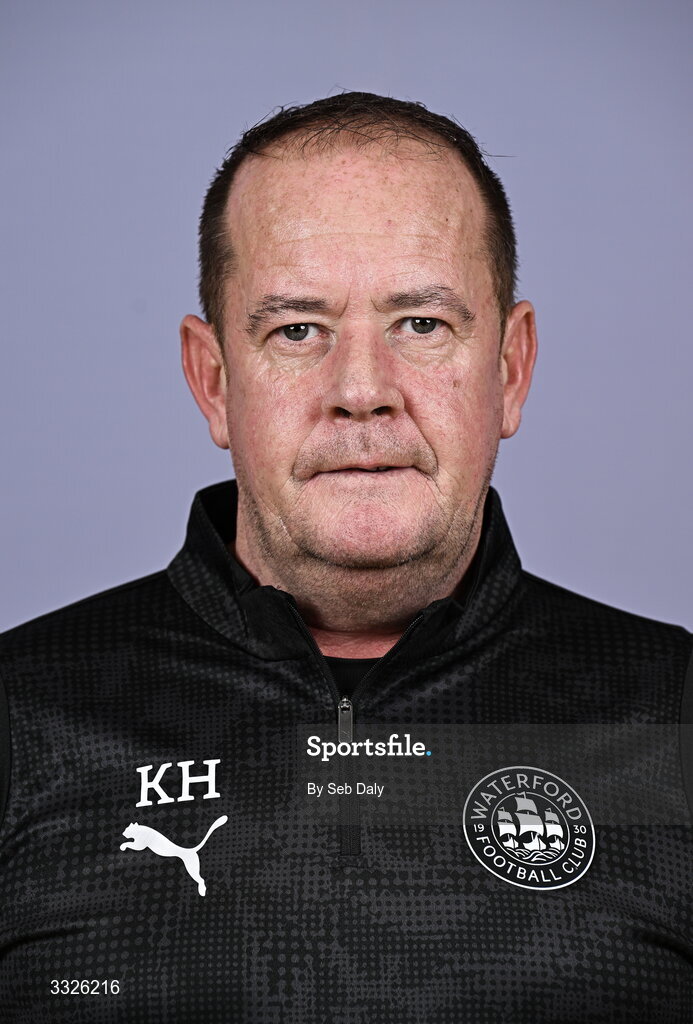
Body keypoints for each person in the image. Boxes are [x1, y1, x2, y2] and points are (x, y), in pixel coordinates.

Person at [0, 91, 691, 1023]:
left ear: (510, 369)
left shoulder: (673, 712)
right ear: (213, 382)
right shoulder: (21, 717)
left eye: (420, 324)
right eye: (297, 330)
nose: (361, 392)